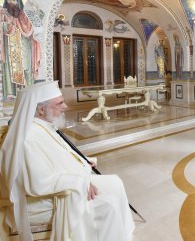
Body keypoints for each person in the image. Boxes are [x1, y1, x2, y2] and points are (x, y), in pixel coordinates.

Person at [0, 81, 135, 241]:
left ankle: (124, 236)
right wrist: (81, 182)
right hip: (42, 200)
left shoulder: (43, 125)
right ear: (42, 110)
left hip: (66, 184)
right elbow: (38, 183)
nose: (65, 106)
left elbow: (60, 154)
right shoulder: (27, 138)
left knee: (116, 182)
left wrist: (83, 161)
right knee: (108, 205)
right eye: (59, 103)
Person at [0, 0, 42, 100]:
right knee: (10, 70)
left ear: (18, 2)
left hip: (24, 45)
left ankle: (29, 92)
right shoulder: (3, 13)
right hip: (9, 46)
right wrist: (6, 23)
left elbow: (30, 29)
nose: (11, 3)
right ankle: (11, 94)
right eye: (8, 0)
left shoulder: (25, 15)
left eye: (13, 0)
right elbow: (3, 29)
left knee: (26, 68)